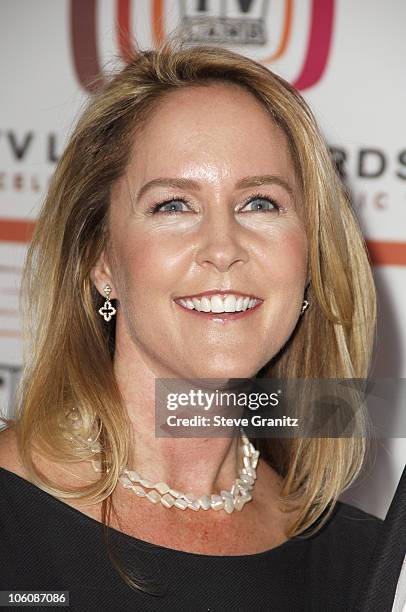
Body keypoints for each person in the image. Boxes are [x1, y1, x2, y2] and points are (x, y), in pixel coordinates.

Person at [0, 36, 384, 610]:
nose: (223, 248)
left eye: (260, 203)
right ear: (100, 261)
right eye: (173, 206)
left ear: (310, 258)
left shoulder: (365, 566)